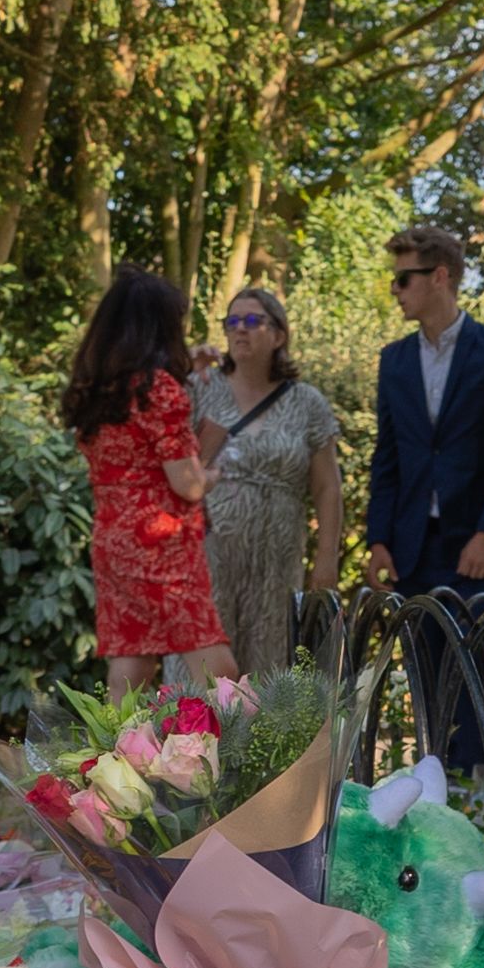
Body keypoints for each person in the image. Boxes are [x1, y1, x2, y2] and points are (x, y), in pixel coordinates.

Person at [361, 223, 484, 778]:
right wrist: (378, 538)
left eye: (403, 278)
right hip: (411, 540)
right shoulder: (395, 359)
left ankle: (480, 790)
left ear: (440, 277)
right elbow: (388, 456)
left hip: (475, 538)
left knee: (472, 666)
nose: (396, 290)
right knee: (424, 667)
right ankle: (435, 789)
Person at [64, 265, 230, 692]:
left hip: (114, 540)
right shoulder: (160, 391)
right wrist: (213, 475)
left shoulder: (98, 390)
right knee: (217, 667)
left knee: (130, 664)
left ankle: (113, 757)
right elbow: (187, 484)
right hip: (162, 542)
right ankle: (240, 755)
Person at [191, 281, 345, 684]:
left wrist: (327, 557)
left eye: (252, 320)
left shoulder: (306, 402)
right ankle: (188, 749)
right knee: (202, 676)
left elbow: (327, 488)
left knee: (268, 675)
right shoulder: (201, 389)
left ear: (278, 335)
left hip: (276, 563)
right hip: (207, 557)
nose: (239, 329)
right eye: (233, 320)